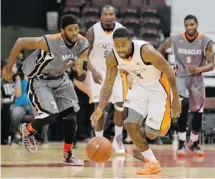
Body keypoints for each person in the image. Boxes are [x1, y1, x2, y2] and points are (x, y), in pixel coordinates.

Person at [91, 27, 181, 175]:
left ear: (130, 42)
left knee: (151, 133)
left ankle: (162, 122)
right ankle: (152, 162)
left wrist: (176, 98)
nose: (120, 48)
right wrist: (100, 108)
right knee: (129, 124)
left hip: (159, 88)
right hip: (139, 87)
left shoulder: (146, 51)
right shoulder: (112, 57)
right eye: (116, 45)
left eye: (123, 44)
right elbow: (108, 84)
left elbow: (169, 71)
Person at [2, 14, 89, 165]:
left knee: (70, 117)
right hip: (40, 79)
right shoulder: (50, 41)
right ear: (62, 31)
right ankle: (27, 129)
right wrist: (9, 69)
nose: (75, 32)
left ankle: (68, 155)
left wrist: (81, 70)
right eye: (70, 29)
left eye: (76, 29)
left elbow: (81, 75)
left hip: (61, 78)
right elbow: (20, 42)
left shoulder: (83, 43)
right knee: (51, 115)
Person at [158, 15, 214, 157]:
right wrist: (163, 67)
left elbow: (212, 64)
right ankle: (182, 142)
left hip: (197, 78)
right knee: (182, 106)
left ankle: (194, 143)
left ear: (197, 24)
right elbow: (161, 49)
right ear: (184, 26)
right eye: (187, 25)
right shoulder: (175, 39)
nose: (189, 27)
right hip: (180, 77)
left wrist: (200, 69)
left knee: (198, 112)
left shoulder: (205, 41)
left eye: (192, 25)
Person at [78, 5, 125, 153]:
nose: (109, 16)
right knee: (99, 106)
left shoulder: (121, 30)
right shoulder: (92, 32)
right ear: (101, 16)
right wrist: (93, 71)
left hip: (115, 71)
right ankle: (98, 139)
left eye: (111, 14)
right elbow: (84, 55)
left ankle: (118, 140)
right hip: (97, 71)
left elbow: (126, 51)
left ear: (115, 16)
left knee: (119, 104)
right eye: (106, 14)